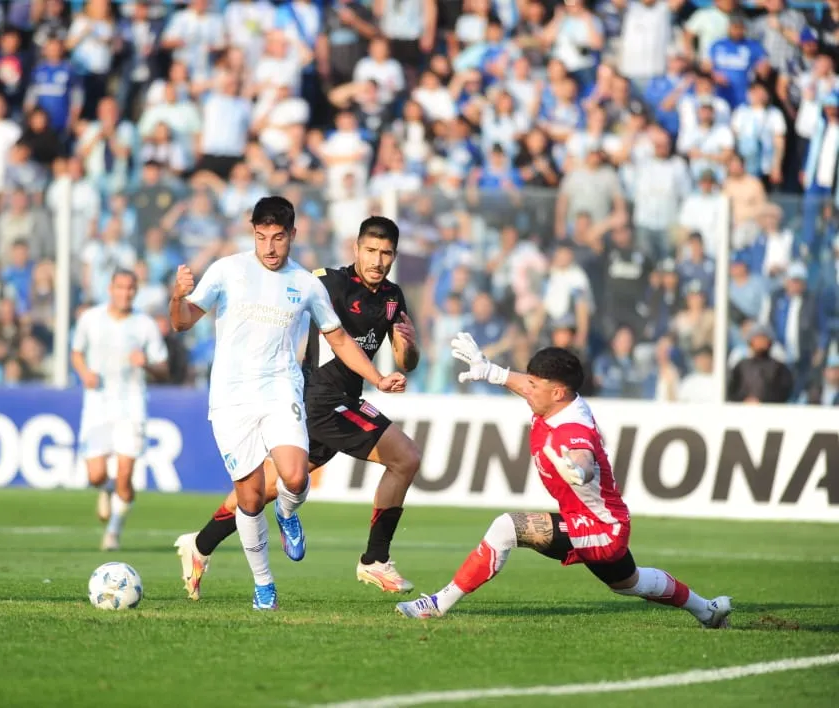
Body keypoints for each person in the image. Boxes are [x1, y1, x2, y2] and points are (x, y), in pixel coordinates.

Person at [395, 335, 732, 629]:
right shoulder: (554, 401)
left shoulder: (572, 427)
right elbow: (526, 385)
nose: (526, 388)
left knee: (507, 527)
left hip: (598, 528)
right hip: (602, 523)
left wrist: (579, 470)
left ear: (556, 392)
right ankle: (708, 610)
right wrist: (492, 371)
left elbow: (582, 456)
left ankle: (437, 605)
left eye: (534, 385)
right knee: (630, 583)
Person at [169, 197, 407, 610]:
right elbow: (182, 321)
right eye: (261, 238)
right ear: (253, 235)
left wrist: (378, 378)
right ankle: (263, 584)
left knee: (295, 479)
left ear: (292, 235)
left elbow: (339, 340)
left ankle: (287, 513)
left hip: (281, 390)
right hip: (231, 398)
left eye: (278, 238)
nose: (270, 248)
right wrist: (177, 297)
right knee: (248, 496)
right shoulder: (228, 270)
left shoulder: (306, 284)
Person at [71, 269, 169, 552]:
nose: (125, 293)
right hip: (98, 404)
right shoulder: (91, 319)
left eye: (130, 288)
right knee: (95, 474)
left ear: (135, 291)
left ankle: (113, 531)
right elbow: (76, 351)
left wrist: (146, 364)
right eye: (120, 287)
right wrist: (84, 373)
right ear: (110, 289)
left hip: (132, 405)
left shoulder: (145, 325)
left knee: (125, 474)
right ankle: (105, 490)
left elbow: (163, 368)